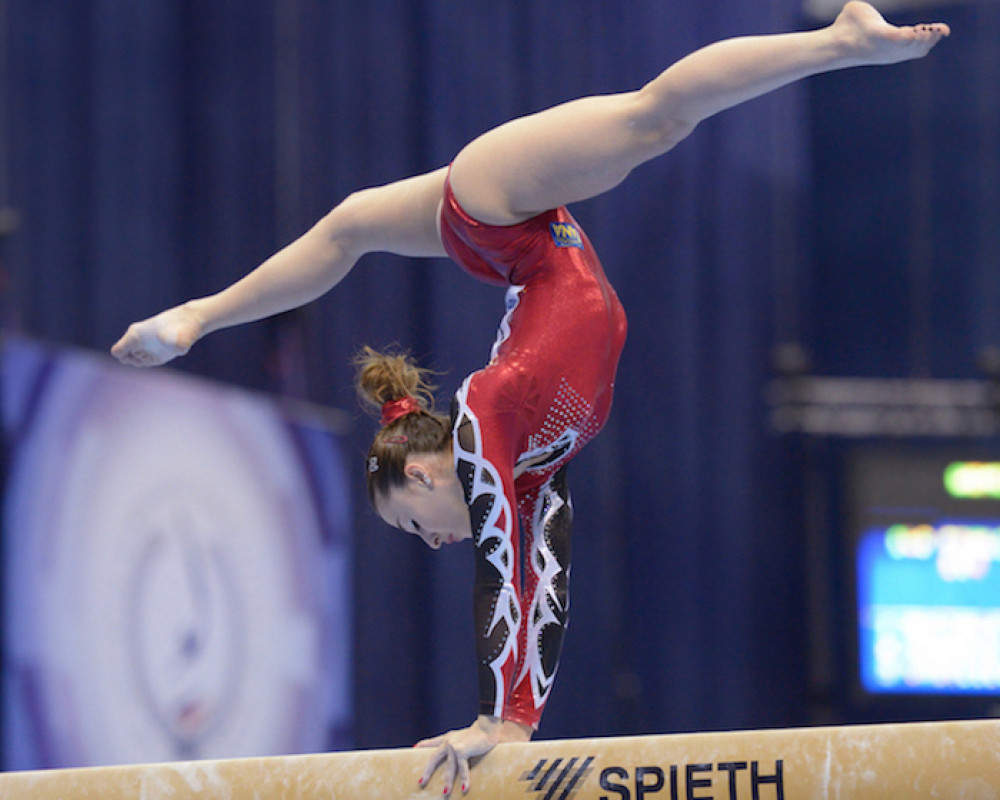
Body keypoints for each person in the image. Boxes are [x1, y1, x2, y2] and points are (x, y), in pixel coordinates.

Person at [112, 3, 949, 793]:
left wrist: (487, 719)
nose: (431, 542)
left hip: (498, 207)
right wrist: (516, 723)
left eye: (412, 524)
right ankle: (194, 318)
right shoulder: (527, 467)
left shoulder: (485, 416)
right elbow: (544, 580)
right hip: (512, 244)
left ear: (424, 474)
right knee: (349, 228)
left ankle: (839, 40)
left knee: (654, 120)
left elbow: (495, 574)